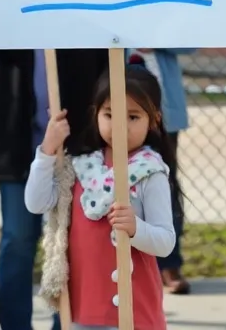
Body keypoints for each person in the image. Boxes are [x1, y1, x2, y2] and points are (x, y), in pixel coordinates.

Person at [25, 58, 179, 330]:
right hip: (84, 302)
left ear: (153, 120)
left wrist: (136, 228)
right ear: (96, 114)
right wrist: (47, 151)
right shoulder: (80, 165)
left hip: (133, 305)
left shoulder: (150, 171)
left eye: (133, 117)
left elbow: (165, 241)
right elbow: (36, 203)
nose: (120, 126)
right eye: (110, 114)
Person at [0, 49, 108, 330]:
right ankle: (14, 324)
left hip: (77, 147)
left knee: (71, 240)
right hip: (17, 145)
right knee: (18, 238)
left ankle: (67, 322)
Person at [134, 48, 195, 295]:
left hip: (163, 107)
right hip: (115, 96)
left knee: (165, 183)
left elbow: (191, 42)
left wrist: (157, 38)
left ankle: (169, 263)